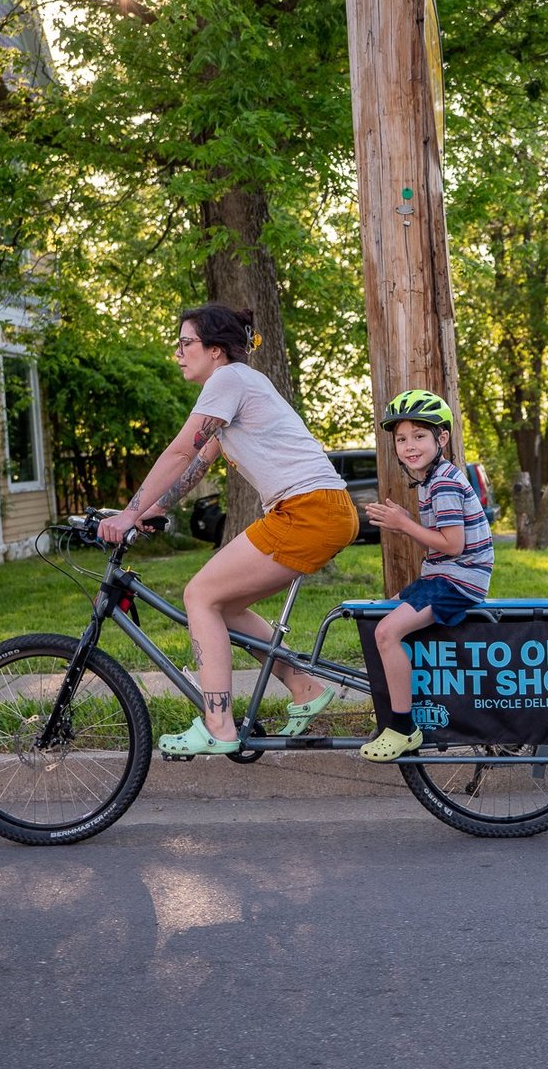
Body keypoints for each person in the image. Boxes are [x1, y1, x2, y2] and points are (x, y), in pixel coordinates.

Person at [98, 303, 358, 755]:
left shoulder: (229, 379)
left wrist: (125, 515)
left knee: (199, 595)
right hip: (320, 509)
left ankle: (218, 725)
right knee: (225, 605)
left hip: (307, 511)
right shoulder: (238, 387)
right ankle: (305, 689)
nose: (177, 353)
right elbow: (197, 465)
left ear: (216, 351)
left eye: (186, 343)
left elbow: (180, 452)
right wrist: (150, 509)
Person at [360, 389, 495, 761]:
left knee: (387, 631)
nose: (409, 446)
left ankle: (403, 727)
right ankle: (399, 702)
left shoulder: (445, 482)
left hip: (458, 578)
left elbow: (452, 544)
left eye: (419, 436)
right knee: (377, 618)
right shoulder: (431, 479)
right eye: (401, 439)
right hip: (443, 575)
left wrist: (403, 524)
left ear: (442, 438)